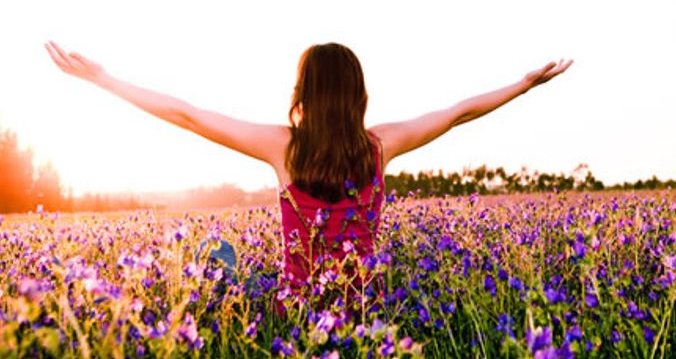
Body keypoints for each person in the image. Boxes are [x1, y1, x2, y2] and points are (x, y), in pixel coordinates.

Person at [44, 41, 573, 314]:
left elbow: (188, 115)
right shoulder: (379, 146)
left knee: (217, 257)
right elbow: (457, 113)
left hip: (297, 313)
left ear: (303, 92)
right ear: (358, 94)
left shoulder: (284, 148)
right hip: (365, 311)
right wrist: (522, 85)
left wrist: (105, 80)